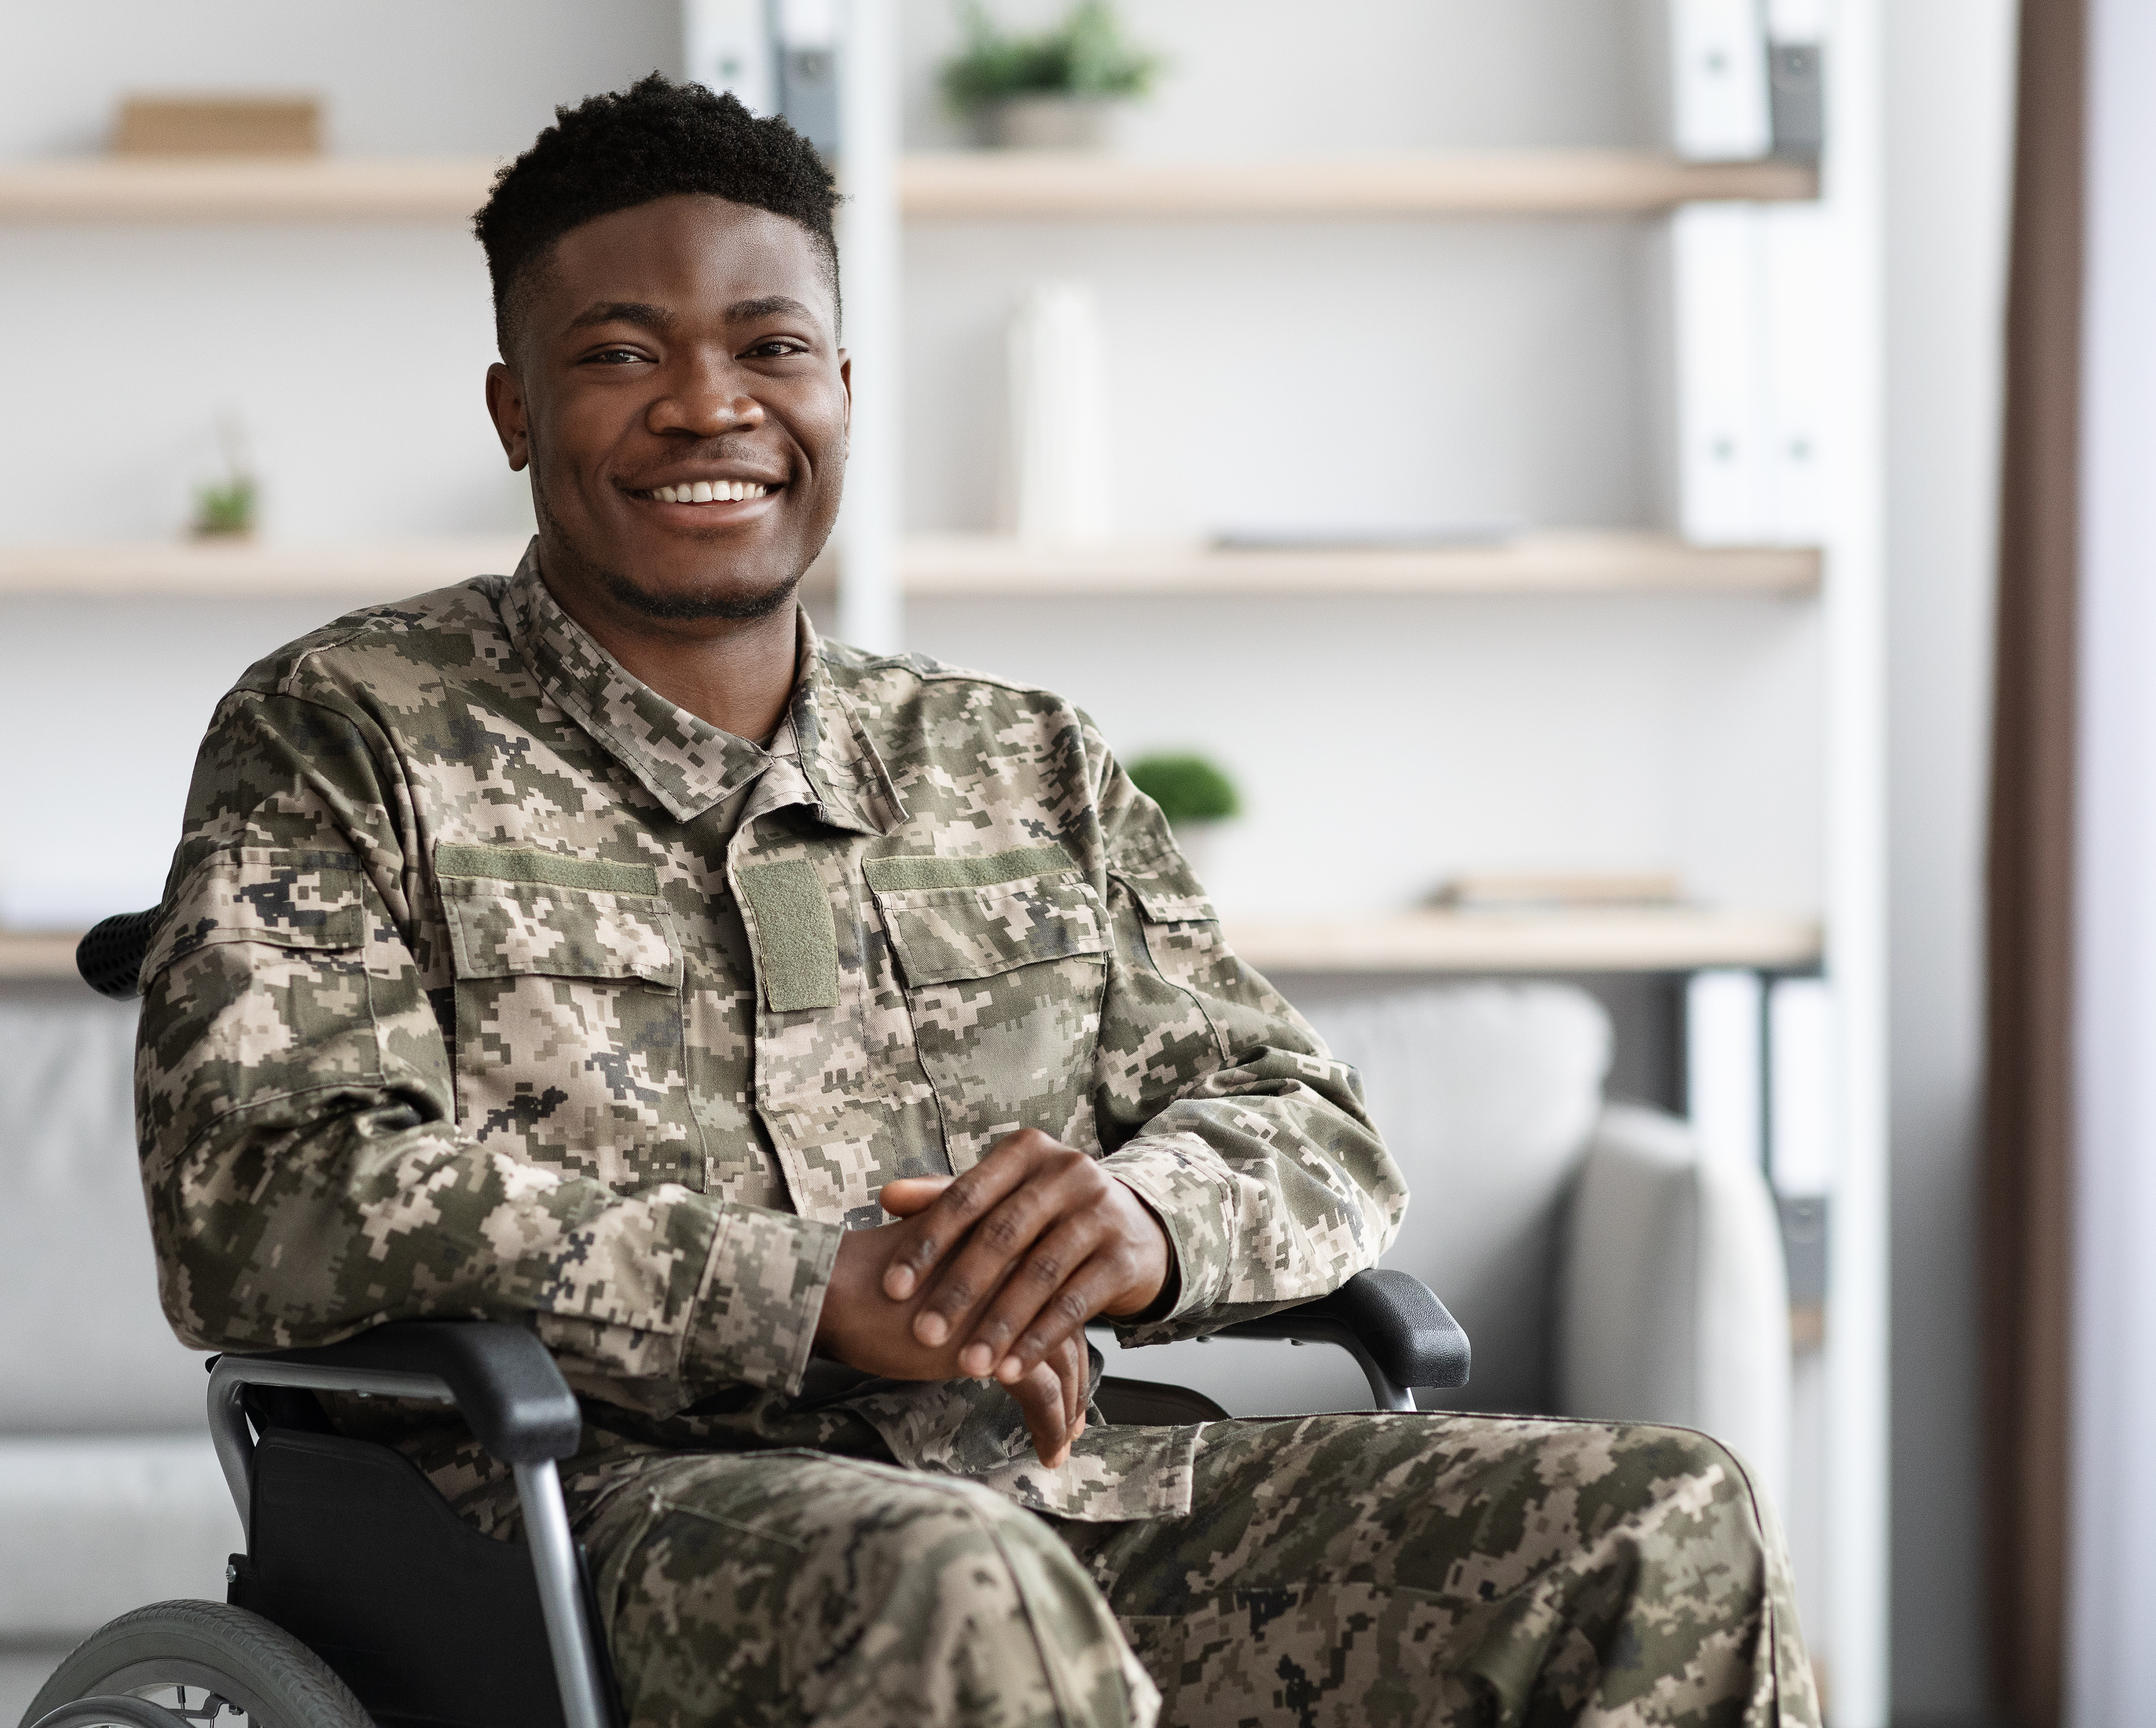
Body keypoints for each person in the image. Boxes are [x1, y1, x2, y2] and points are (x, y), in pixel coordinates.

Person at [136, 73, 1817, 1728]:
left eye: (770, 348)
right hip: (593, 1523)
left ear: (845, 388)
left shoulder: (1018, 759)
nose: (709, 406)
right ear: (514, 411)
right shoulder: (342, 733)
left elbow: (1306, 1122)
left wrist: (1142, 1223)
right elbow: (268, 1196)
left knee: (1663, 1520)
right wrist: (808, 1290)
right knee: (957, 1587)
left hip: (1058, 1483)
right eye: (622, 354)